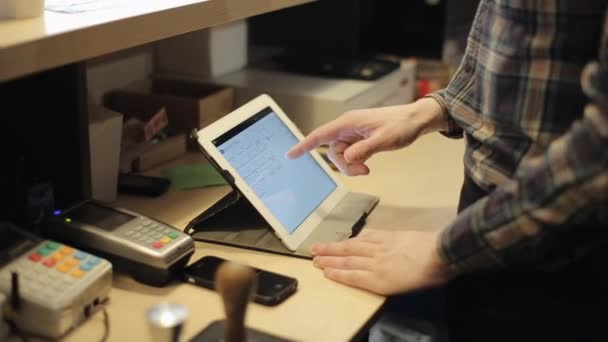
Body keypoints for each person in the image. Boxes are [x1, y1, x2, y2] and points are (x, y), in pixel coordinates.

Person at [286, 2, 608, 341]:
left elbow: (598, 156)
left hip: (561, 254)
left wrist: (446, 252)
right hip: (491, 229)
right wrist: (431, 110)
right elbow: (521, 46)